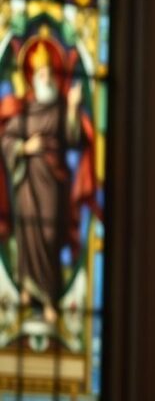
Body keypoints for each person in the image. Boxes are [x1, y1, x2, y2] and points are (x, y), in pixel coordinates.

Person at [0, 40, 91, 325]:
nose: (46, 78)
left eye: (50, 74)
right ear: (32, 78)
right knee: (27, 231)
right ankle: (27, 286)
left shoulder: (61, 108)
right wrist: (25, 148)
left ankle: (50, 296)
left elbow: (74, 138)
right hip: (27, 180)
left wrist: (75, 108)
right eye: (41, 74)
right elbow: (7, 140)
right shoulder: (24, 109)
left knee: (50, 233)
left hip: (54, 181)